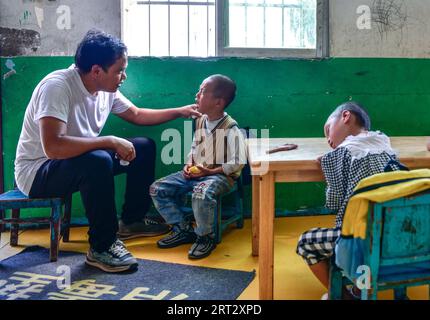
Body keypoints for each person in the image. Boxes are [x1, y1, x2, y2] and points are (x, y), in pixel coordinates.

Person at [14, 29, 201, 273]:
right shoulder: (57, 87)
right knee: (98, 160)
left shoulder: (104, 89)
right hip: (38, 172)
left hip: (75, 162)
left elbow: (136, 114)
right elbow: (54, 147)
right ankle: (102, 246)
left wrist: (180, 111)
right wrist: (109, 140)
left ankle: (131, 221)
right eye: (119, 71)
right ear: (96, 71)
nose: (123, 76)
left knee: (142, 147)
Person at [295, 101, 398, 299]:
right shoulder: (386, 145)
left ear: (345, 117)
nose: (328, 140)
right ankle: (362, 288)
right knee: (370, 224)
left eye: (327, 130)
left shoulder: (338, 154)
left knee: (305, 243)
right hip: (396, 236)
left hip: (361, 241)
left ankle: (342, 296)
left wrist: (327, 167)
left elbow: (334, 203)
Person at [150, 75, 247, 259]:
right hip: (197, 172)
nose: (196, 95)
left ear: (218, 102)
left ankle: (205, 237)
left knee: (201, 192)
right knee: (157, 188)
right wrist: (189, 164)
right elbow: (195, 146)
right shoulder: (200, 119)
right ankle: (182, 228)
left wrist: (210, 172)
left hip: (220, 176)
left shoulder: (231, 128)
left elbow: (238, 162)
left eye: (202, 92)